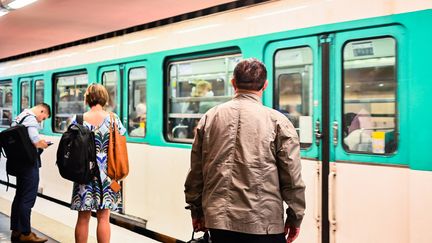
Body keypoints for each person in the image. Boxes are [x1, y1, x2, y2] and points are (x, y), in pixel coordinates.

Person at [184, 58, 306, 243]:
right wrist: (295, 217)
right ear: (265, 85)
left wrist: (196, 211)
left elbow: (197, 172)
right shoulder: (278, 122)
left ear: (233, 83)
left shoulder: (210, 117)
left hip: (219, 222)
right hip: (264, 224)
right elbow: (291, 177)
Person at [70, 84, 126, 243]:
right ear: (104, 98)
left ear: (87, 99)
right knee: (103, 217)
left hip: (84, 173)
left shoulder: (78, 119)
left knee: (83, 217)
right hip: (107, 174)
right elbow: (122, 137)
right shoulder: (113, 119)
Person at [10, 103, 51, 243]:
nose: (41, 121)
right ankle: (26, 233)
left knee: (19, 196)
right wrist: (44, 144)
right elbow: (35, 141)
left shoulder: (20, 117)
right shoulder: (31, 119)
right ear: (41, 110)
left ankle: (16, 230)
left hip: (19, 163)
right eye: (43, 117)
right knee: (28, 198)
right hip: (28, 164)